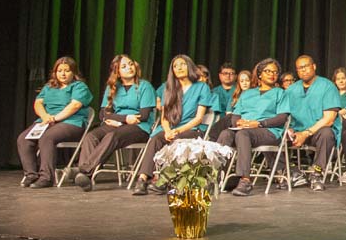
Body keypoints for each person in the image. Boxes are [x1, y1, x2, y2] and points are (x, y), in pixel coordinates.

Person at [71, 54, 156, 191]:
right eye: (124, 66)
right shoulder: (113, 87)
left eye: (130, 64)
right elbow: (103, 113)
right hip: (118, 124)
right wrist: (123, 119)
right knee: (91, 137)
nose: (129, 67)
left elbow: (144, 115)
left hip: (139, 127)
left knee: (111, 136)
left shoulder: (145, 86)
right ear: (117, 72)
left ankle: (83, 171)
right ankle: (85, 178)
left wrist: (120, 120)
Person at [132, 55, 213, 195]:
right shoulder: (169, 89)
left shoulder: (202, 87)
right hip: (171, 128)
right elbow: (164, 117)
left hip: (191, 128)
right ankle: (142, 179)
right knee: (156, 138)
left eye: (182, 64)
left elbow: (199, 118)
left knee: (177, 140)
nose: (179, 68)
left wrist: (177, 131)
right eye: (175, 66)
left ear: (189, 66)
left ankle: (164, 180)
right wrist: (168, 130)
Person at [16, 57, 94, 189]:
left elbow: (74, 106)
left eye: (67, 71)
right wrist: (45, 116)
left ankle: (46, 177)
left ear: (73, 72)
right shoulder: (48, 87)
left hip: (71, 122)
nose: (63, 74)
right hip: (46, 121)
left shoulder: (79, 87)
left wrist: (55, 118)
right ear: (55, 72)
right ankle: (31, 174)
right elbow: (38, 103)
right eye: (59, 71)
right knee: (23, 139)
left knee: (47, 137)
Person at [217, 58, 291, 197]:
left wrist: (259, 124)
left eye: (275, 72)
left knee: (243, 135)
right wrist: (238, 123)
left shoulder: (280, 93)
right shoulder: (247, 93)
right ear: (260, 74)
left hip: (268, 131)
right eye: (268, 71)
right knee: (226, 134)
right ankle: (216, 176)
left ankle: (245, 180)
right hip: (245, 129)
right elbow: (235, 115)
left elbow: (282, 118)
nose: (272, 74)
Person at [285, 55, 344, 191]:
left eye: (306, 66)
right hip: (297, 132)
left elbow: (329, 119)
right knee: (273, 134)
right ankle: (293, 172)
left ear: (314, 66)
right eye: (300, 68)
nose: (303, 70)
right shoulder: (291, 90)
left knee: (326, 133)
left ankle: (317, 173)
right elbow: (283, 115)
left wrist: (306, 133)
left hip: (318, 132)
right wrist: (289, 130)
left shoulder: (327, 86)